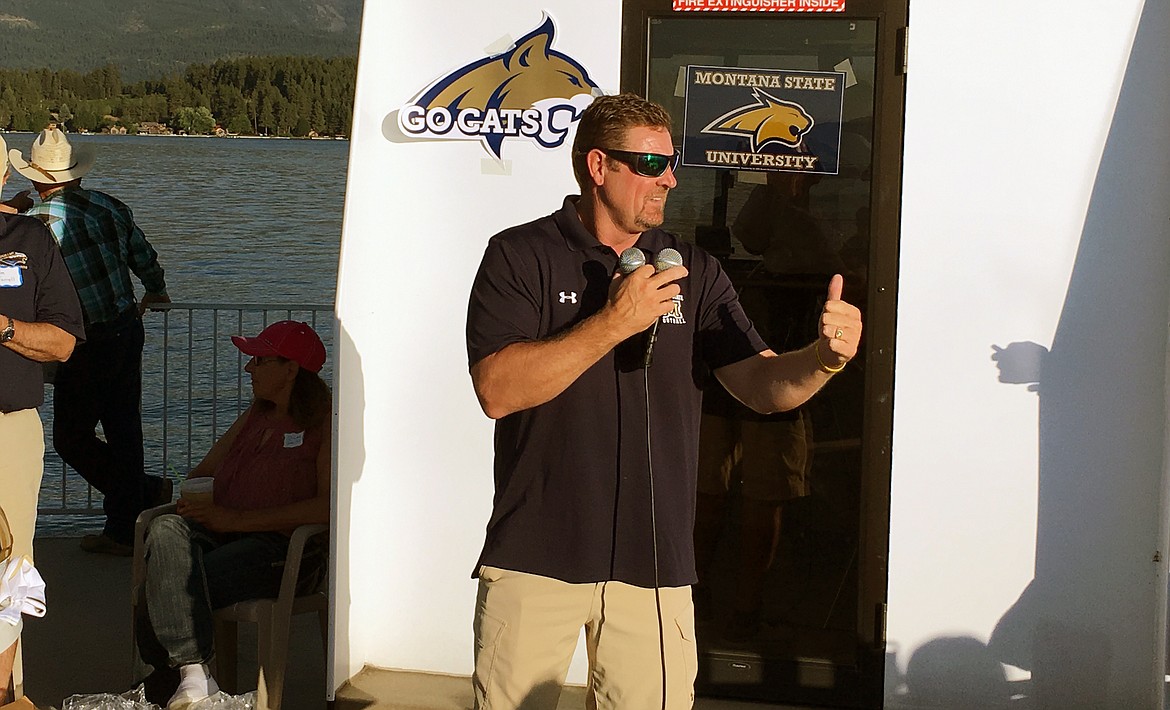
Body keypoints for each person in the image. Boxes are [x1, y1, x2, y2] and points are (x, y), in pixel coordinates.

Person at [465, 93, 863, 709]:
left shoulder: (694, 271)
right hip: (535, 556)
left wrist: (823, 359)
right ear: (599, 167)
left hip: (655, 567)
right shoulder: (520, 255)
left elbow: (762, 387)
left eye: (672, 163)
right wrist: (613, 323)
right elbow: (497, 390)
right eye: (652, 164)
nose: (671, 179)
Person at [134, 320, 331, 708]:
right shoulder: (257, 414)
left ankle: (170, 687)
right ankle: (193, 674)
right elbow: (201, 475)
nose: (248, 369)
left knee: (167, 582)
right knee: (166, 530)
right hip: (226, 534)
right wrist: (200, 504)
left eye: (258, 360)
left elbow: (326, 508)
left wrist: (234, 520)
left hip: (286, 550)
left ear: (291, 368)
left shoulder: (325, 422)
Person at [7, 126, 173, 557]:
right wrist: (155, 289)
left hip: (84, 343)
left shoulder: (36, 225)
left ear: (35, 178)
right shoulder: (109, 205)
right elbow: (144, 256)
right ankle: (127, 524)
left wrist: (12, 206)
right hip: (124, 328)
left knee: (70, 438)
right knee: (125, 429)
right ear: (76, 174)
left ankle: (141, 494)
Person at [0, 135, 85, 702]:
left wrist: (3, 329)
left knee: (8, 568)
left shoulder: (29, 238)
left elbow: (63, 342)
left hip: (8, 428)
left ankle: (8, 692)